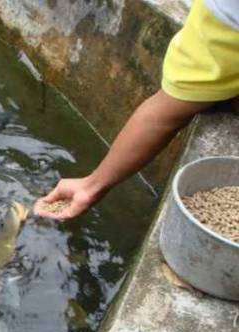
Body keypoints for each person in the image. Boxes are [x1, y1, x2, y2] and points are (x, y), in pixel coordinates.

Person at [34, 0, 239, 220]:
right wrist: (91, 186)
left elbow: (164, 114)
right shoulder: (223, 28)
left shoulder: (221, 27)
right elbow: (164, 115)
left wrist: (91, 186)